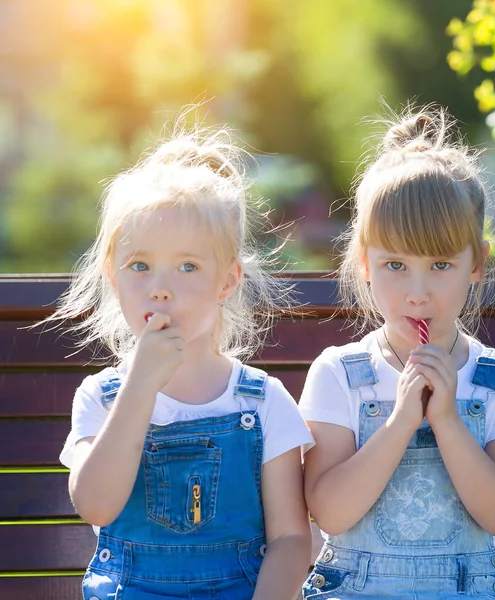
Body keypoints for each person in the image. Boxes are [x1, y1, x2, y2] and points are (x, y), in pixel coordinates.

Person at [54, 122, 314, 600]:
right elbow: (95, 505)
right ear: (113, 275)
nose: (160, 287)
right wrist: (140, 387)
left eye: (188, 266)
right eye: (140, 265)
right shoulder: (102, 397)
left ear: (227, 281)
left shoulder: (261, 401)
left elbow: (292, 540)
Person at [299, 106, 495, 599]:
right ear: (364, 262)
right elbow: (329, 512)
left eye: (440, 264)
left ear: (475, 263)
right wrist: (400, 422)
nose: (417, 292)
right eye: (395, 264)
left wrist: (449, 421)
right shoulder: (340, 373)